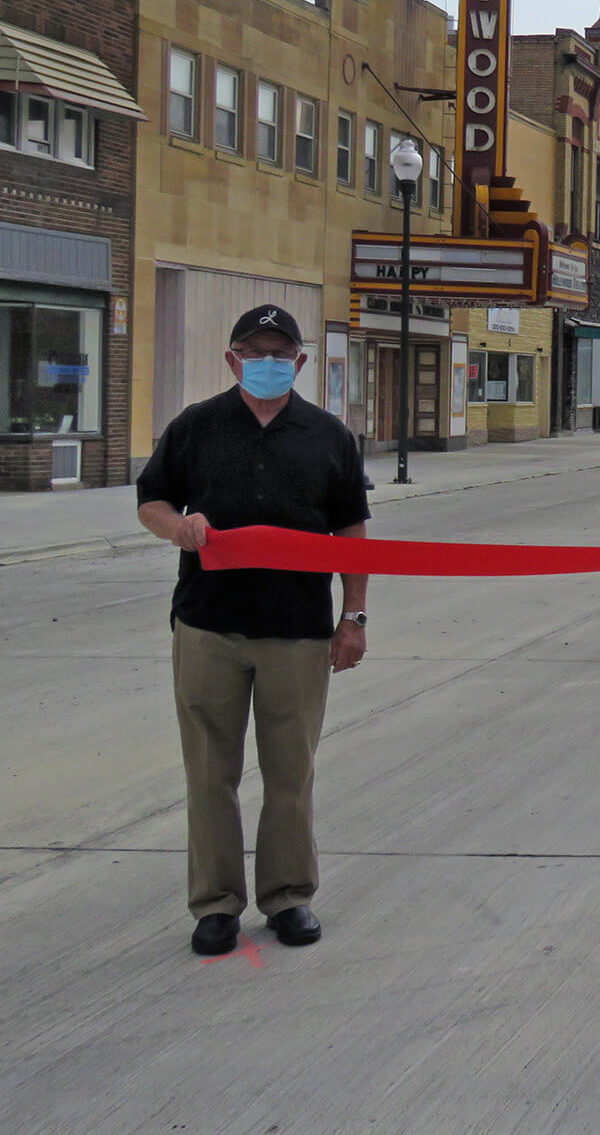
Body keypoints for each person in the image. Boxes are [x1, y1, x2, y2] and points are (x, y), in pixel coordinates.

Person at [137, 306, 371, 956]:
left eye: (280, 351)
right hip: (209, 627)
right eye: (254, 349)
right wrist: (175, 527)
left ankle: (289, 896)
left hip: (296, 632)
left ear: (299, 362)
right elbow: (152, 499)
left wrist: (353, 616)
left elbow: (351, 534)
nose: (267, 361)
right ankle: (215, 905)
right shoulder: (196, 428)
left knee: (290, 771)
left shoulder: (329, 437)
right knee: (210, 771)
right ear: (232, 358)